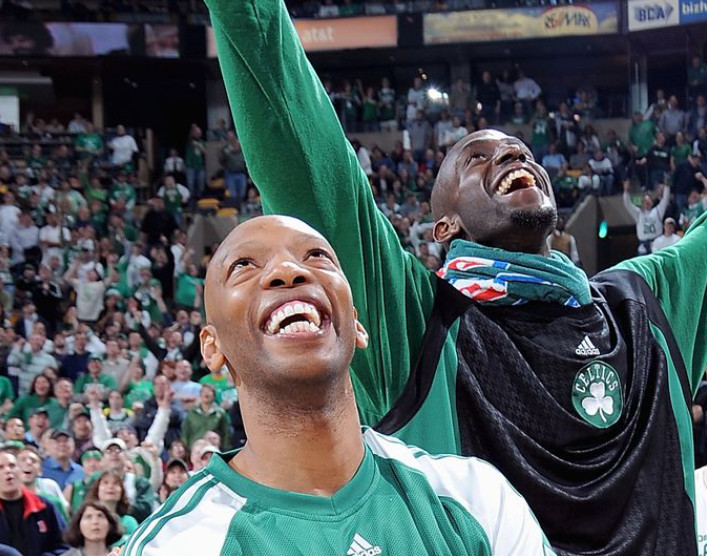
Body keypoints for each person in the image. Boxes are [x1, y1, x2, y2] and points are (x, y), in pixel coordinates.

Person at [206, 1, 707, 554]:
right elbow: (309, 161)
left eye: (519, 152)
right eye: (477, 158)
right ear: (445, 226)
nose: (510, 155)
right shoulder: (415, 323)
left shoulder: (642, 305)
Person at [123, 215, 553, 556]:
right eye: (244, 266)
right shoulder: (177, 545)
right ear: (212, 348)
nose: (288, 270)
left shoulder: (475, 497)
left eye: (316, 256)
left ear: (357, 327)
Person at [0, 451, 66, 556]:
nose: (8, 471)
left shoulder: (44, 506)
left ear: (20, 470)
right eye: (1, 467)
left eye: (12, 465)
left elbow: (64, 545)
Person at [85, 470, 138, 546]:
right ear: (97, 489)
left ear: (122, 491)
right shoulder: (88, 520)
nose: (110, 486)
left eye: (115, 483)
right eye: (105, 483)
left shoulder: (129, 522)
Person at [623, 181, 671, 255]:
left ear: (652, 202)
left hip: (657, 243)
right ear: (642, 204)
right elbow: (628, 204)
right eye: (645, 202)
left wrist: (667, 186)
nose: (647, 203)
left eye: (648, 201)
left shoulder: (658, 211)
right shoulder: (638, 214)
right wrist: (626, 191)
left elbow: (665, 199)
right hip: (643, 245)